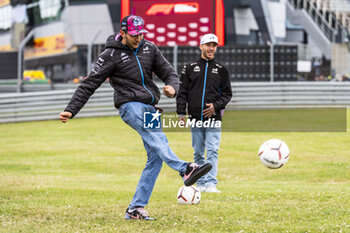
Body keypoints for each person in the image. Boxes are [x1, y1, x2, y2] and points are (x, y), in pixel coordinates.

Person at [59, 15, 212, 220]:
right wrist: (72, 108)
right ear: (122, 33)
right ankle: (186, 168)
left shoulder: (150, 48)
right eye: (133, 35)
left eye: (141, 34)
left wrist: (172, 89)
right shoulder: (109, 55)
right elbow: (90, 83)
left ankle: (135, 209)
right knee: (156, 139)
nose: (138, 38)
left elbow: (170, 74)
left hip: (150, 108)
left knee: (156, 155)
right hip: (129, 106)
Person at [176, 33, 232, 193]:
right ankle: (200, 183)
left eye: (214, 45)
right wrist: (181, 112)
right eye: (208, 45)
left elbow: (227, 94)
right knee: (198, 152)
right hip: (195, 118)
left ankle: (211, 183)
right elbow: (182, 92)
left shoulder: (222, 70)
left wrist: (215, 106)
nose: (211, 48)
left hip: (214, 118)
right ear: (201, 46)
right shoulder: (189, 67)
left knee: (213, 150)